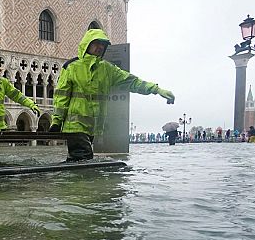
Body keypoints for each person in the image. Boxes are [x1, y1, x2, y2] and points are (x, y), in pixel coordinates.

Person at [50, 28, 175, 161]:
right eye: (96, 43)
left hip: (92, 128)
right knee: (84, 160)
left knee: (79, 162)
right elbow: (61, 96)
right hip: (74, 126)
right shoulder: (71, 67)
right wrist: (56, 121)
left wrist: (157, 90)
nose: (100, 47)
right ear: (87, 44)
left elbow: (132, 82)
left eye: (102, 45)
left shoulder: (107, 69)